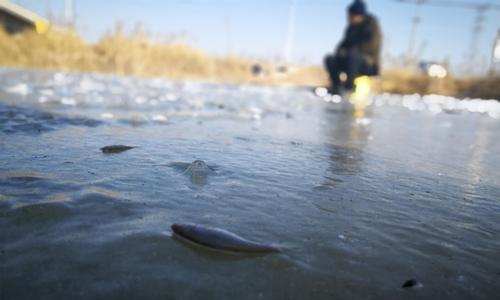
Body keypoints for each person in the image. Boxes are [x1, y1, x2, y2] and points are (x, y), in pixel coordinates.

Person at [324, 0, 382, 94]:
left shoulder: (372, 26)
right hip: (350, 61)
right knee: (329, 58)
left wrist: (350, 51)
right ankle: (336, 86)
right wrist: (340, 52)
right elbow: (342, 44)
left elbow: (372, 46)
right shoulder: (350, 28)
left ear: (360, 15)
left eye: (351, 16)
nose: (349, 18)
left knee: (352, 54)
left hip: (368, 64)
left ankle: (349, 87)